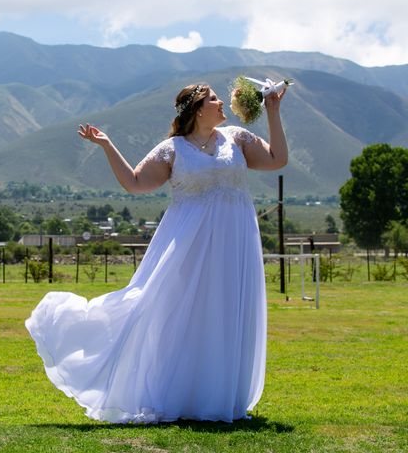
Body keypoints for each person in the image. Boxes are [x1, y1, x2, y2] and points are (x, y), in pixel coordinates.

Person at [25, 82, 288, 423]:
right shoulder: (173, 149)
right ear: (197, 109)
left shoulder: (237, 138)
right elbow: (135, 182)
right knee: (176, 314)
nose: (222, 102)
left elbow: (277, 159)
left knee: (226, 312)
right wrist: (106, 145)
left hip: (235, 241)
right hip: (187, 247)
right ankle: (174, 392)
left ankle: (218, 398)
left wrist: (273, 111)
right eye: (213, 99)